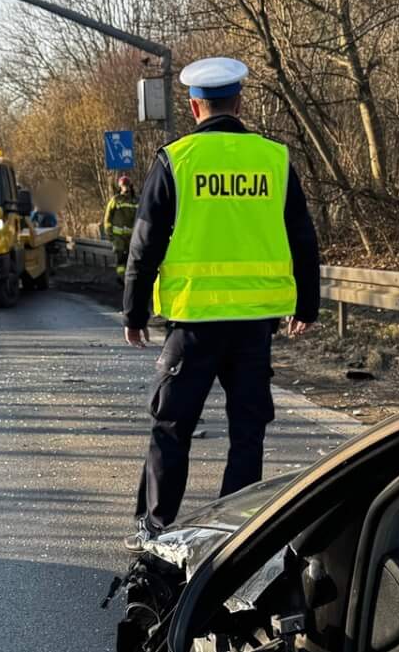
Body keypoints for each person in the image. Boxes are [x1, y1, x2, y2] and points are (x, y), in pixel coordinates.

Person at [122, 56, 319, 542]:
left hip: (194, 324)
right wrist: (307, 303)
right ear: (240, 100)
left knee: (171, 427)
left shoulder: (177, 160)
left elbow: (145, 243)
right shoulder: (274, 160)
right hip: (254, 325)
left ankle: (156, 530)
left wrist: (134, 310)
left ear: (194, 107)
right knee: (247, 433)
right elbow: (302, 236)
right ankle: (234, 534)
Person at [102, 174, 138, 280]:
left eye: (127, 185)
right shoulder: (115, 200)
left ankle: (130, 278)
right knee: (120, 258)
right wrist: (110, 234)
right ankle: (122, 278)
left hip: (132, 237)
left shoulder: (136, 201)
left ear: (130, 186)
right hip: (118, 237)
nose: (125, 188)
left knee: (131, 259)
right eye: (123, 186)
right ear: (120, 187)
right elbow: (107, 218)